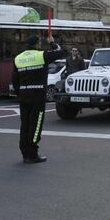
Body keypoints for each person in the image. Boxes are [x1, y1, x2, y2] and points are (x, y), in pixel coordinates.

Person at [12, 35, 63, 164]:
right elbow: (61, 52)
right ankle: (33, 154)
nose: (41, 44)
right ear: (37, 44)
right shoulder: (41, 55)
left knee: (25, 125)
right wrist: (52, 43)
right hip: (37, 95)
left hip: (24, 96)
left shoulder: (18, 58)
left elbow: (14, 80)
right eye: (40, 42)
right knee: (36, 125)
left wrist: (20, 93)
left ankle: (25, 154)